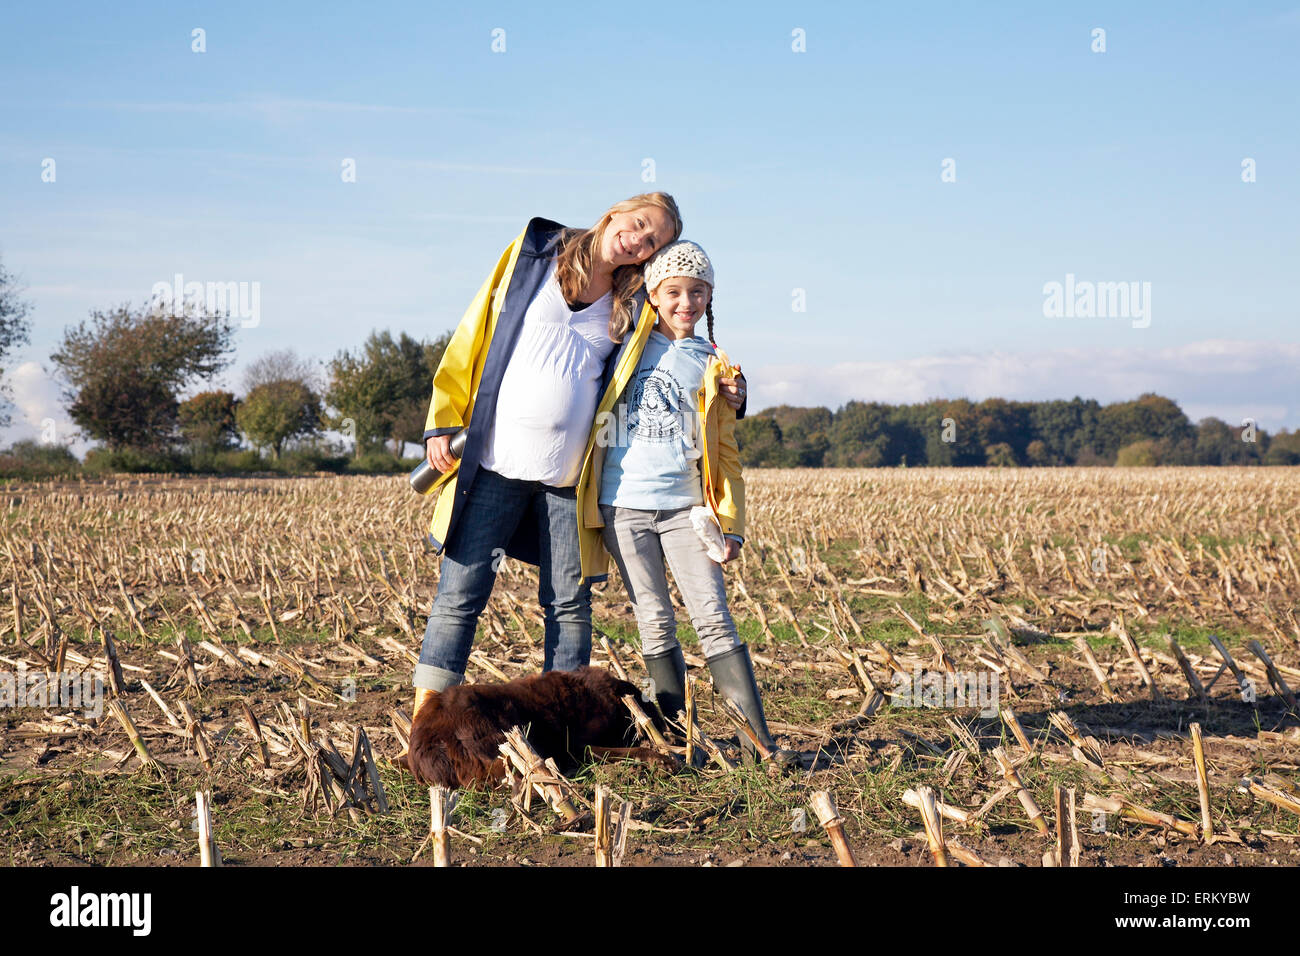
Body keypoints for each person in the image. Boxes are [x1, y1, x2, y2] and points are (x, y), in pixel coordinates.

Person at [401, 194, 749, 754]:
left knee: (568, 601)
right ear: (615, 212)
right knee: (461, 593)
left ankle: (560, 735)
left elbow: (677, 352)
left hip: (570, 478)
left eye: (653, 240)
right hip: (492, 463)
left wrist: (731, 388)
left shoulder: (633, 300)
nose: (639, 239)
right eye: (639, 225)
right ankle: (425, 731)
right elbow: (473, 332)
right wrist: (443, 417)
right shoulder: (533, 254)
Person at [576, 240, 796, 767]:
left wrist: (732, 523)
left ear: (710, 297)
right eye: (673, 291)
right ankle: (674, 740)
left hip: (686, 511)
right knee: (653, 620)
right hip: (620, 509)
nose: (685, 302)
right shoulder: (622, 345)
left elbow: (725, 451)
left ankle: (758, 743)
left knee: (714, 617)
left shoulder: (712, 363)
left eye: (697, 292)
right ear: (652, 294)